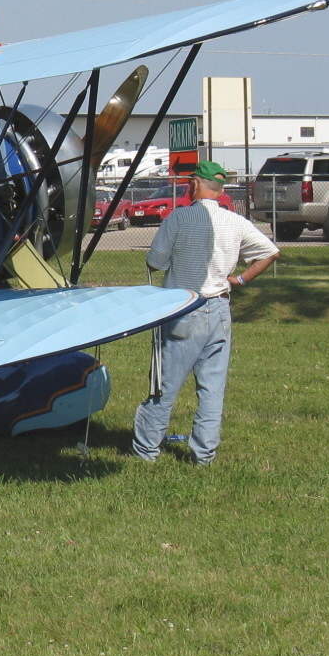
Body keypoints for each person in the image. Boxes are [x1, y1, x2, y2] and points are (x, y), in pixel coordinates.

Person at [131, 161, 280, 465]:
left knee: (165, 383)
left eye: (190, 182)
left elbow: (155, 263)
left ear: (196, 185)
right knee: (212, 387)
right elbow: (270, 252)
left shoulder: (179, 217)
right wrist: (239, 279)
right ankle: (204, 454)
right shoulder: (235, 221)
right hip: (220, 308)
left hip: (183, 308)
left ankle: (146, 450)